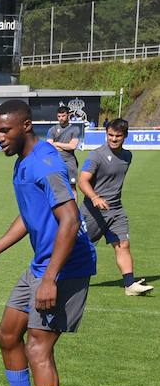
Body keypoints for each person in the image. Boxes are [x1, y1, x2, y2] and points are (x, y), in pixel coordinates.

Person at [0, 99, 96, 386]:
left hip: (65, 267)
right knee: (7, 334)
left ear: (26, 125)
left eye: (5, 131)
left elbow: (70, 220)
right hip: (42, 264)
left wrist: (50, 279)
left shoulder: (45, 165)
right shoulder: (24, 162)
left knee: (38, 348)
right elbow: (31, 215)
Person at [78, 118, 152, 296]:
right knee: (77, 247)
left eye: (117, 136)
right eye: (110, 135)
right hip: (93, 211)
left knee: (123, 244)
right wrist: (95, 197)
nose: (113, 139)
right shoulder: (96, 155)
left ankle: (130, 285)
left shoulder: (128, 156)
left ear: (125, 136)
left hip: (116, 210)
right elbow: (82, 180)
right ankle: (52, 275)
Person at [46, 104, 82, 183]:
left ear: (68, 115)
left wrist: (56, 143)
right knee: (56, 185)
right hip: (56, 160)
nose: (61, 118)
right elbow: (49, 146)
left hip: (70, 161)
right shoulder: (52, 129)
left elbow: (73, 146)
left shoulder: (75, 129)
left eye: (63, 116)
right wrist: (66, 146)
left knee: (72, 186)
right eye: (59, 116)